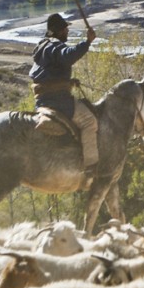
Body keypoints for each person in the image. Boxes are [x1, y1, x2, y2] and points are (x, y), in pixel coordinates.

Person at [30, 13, 99, 184]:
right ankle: (91, 168)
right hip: (57, 100)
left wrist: (67, 81)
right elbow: (68, 55)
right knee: (90, 121)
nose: (67, 31)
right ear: (59, 31)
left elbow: (50, 72)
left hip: (43, 100)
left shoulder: (42, 46)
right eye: (65, 28)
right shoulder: (55, 46)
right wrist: (87, 42)